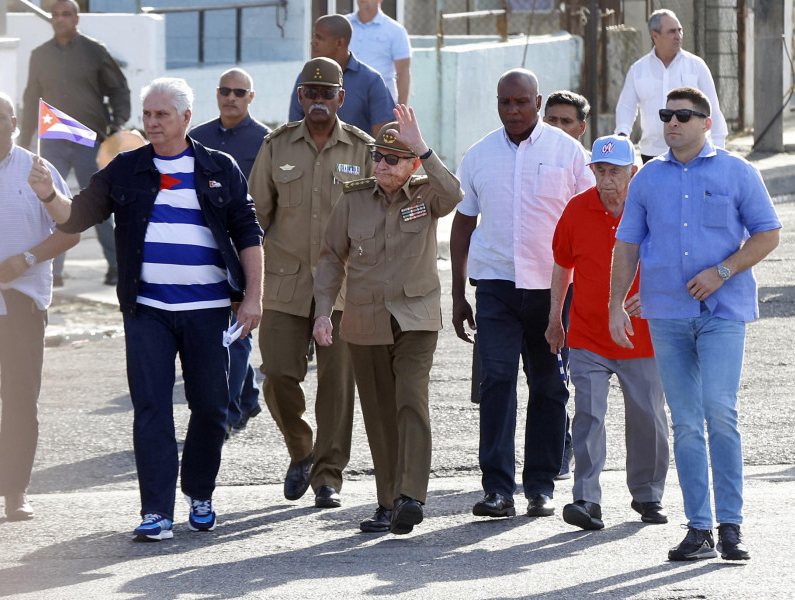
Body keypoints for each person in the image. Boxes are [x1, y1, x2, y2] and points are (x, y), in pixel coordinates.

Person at [27, 77, 264, 542]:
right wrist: (47, 194)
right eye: (147, 115)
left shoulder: (220, 166)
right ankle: (156, 511)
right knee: (152, 409)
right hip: (147, 310)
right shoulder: (125, 169)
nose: (152, 123)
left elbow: (248, 232)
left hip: (210, 310)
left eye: (162, 115)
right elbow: (75, 217)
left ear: (186, 118)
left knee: (212, 407)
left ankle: (200, 494)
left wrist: (254, 297)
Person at [609, 87, 780, 561]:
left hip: (722, 314)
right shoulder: (646, 180)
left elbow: (768, 233)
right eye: (666, 115)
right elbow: (626, 245)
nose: (672, 123)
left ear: (706, 122)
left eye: (683, 116)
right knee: (685, 423)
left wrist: (722, 271)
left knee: (719, 414)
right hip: (666, 315)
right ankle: (699, 527)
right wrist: (615, 305)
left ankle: (731, 525)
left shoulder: (738, 171)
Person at [451, 69, 594, 520]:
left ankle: (540, 486)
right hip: (495, 287)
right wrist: (458, 293)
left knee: (550, 386)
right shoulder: (478, 154)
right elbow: (462, 222)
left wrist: (584, 295)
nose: (513, 111)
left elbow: (588, 223)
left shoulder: (569, 153)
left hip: (554, 289)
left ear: (537, 102)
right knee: (495, 383)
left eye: (521, 102)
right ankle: (497, 488)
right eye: (505, 102)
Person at [313, 105, 463, 534]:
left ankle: (411, 495)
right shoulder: (353, 198)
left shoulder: (425, 193)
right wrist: (323, 312)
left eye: (393, 158)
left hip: (415, 318)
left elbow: (454, 196)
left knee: (410, 400)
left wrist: (425, 150)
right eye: (377, 156)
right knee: (378, 411)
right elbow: (329, 259)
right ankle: (387, 501)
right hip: (364, 320)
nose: (381, 164)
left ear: (412, 162)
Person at [248, 58, 373, 509]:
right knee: (278, 375)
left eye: (327, 94)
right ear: (300, 96)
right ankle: (302, 449)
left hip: (343, 291)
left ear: (341, 98)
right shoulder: (277, 146)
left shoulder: (362, 150)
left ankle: (328, 476)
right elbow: (254, 217)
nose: (318, 101)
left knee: (337, 388)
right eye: (311, 93)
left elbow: (378, 217)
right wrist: (242, 281)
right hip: (284, 285)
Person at [546, 134, 669, 531]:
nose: (606, 180)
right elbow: (562, 266)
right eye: (600, 171)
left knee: (648, 417)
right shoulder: (576, 209)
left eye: (615, 171)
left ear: (634, 172)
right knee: (588, 415)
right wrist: (554, 318)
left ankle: (648, 495)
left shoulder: (653, 209)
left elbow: (676, 262)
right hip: (587, 335)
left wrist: (650, 292)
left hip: (642, 336)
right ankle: (586, 499)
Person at [0, 91, 80, 521]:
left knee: (20, 399)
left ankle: (14, 492)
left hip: (21, 303)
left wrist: (25, 259)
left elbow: (70, 229)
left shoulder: (36, 168)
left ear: (14, 124)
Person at [21, 0, 129, 286]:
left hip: (88, 139)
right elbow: (32, 97)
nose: (60, 19)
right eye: (55, 15)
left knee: (99, 204)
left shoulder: (95, 51)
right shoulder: (40, 55)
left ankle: (116, 267)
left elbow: (118, 88)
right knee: (50, 205)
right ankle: (53, 272)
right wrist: (24, 139)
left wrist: (119, 122)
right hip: (53, 140)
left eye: (66, 14)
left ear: (77, 18)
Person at [190, 68, 270, 438]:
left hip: (246, 249)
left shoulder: (266, 141)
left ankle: (224, 413)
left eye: (240, 92)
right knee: (215, 334)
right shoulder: (197, 139)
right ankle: (248, 397)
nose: (231, 97)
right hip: (205, 249)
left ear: (251, 97)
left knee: (237, 333)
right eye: (225, 90)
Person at [615, 9, 728, 164]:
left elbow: (713, 108)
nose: (678, 36)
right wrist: (622, 135)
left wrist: (719, 147)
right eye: (672, 31)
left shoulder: (696, 65)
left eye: (679, 30)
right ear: (655, 35)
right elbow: (626, 106)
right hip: (652, 154)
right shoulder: (638, 69)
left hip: (693, 152)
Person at [288, 14, 395, 137]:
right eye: (313, 36)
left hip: (358, 156)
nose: (313, 42)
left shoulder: (371, 81)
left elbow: (383, 137)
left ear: (340, 43)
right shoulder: (305, 77)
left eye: (319, 37)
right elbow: (294, 131)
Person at [348, 0, 412, 105]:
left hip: (381, 104)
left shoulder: (396, 30)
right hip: (346, 102)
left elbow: (404, 72)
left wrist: (401, 113)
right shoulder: (343, 25)